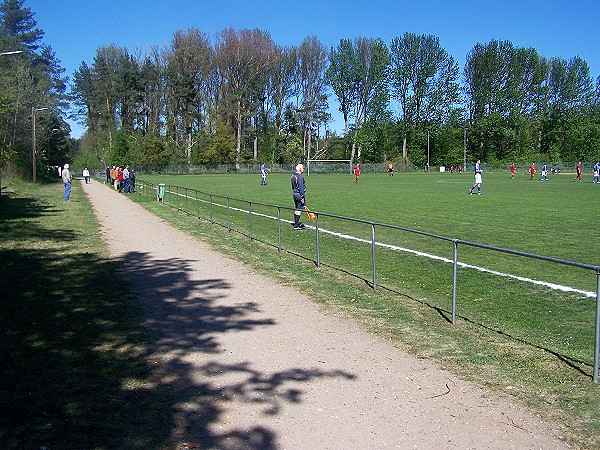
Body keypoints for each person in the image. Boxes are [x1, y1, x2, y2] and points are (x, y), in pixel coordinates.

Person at [291, 163, 307, 229]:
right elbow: (301, 188)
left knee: (297, 208)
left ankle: (296, 223)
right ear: (300, 169)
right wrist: (302, 196)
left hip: (295, 194)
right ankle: (296, 225)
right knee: (299, 209)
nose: (303, 169)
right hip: (299, 194)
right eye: (303, 168)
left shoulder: (292, 176)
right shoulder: (300, 177)